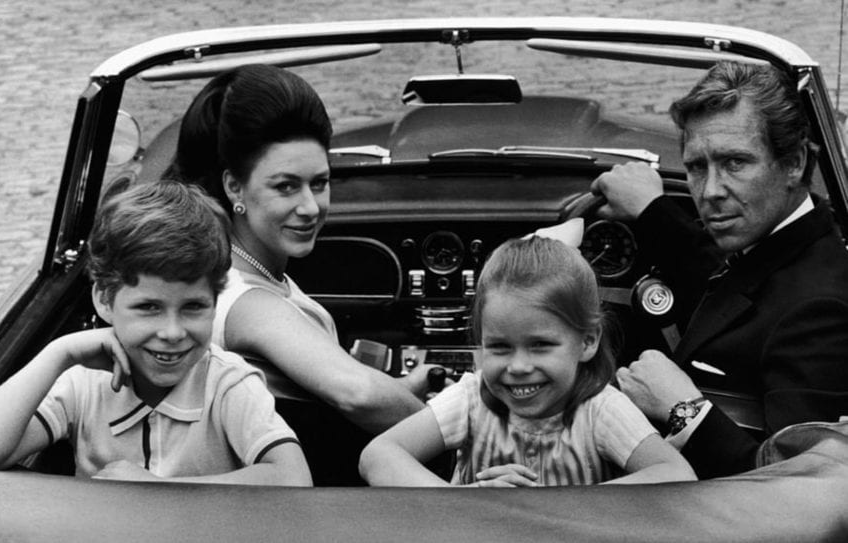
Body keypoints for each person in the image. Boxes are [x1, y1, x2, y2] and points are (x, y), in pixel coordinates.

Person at [165, 64, 431, 485]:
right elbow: (357, 394)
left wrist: (406, 388)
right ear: (234, 187)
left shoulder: (248, 270)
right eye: (285, 186)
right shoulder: (242, 298)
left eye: (319, 183)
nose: (310, 207)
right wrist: (458, 432)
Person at [0, 181, 311, 486]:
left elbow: (293, 478)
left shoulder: (228, 383)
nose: (172, 332)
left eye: (193, 307)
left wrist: (157, 490)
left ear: (215, 302)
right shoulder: (83, 383)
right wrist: (59, 352)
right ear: (105, 300)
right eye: (149, 308)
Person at [591, 60, 848, 479]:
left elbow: (801, 488)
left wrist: (685, 411)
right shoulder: (773, 245)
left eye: (734, 163)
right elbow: (729, 279)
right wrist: (653, 211)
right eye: (696, 167)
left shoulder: (820, 310)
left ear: (796, 162)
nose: (709, 192)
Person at [358, 231, 696, 486]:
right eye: (499, 347)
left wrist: (553, 506)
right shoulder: (470, 399)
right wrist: (462, 498)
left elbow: (676, 474)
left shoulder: (601, 410)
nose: (517, 367)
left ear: (587, 341)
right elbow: (378, 455)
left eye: (540, 346)